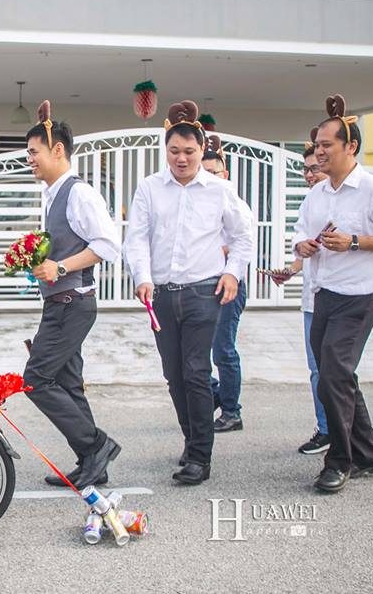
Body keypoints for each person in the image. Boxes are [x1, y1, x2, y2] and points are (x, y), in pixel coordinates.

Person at [124, 100, 252, 485]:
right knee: (174, 375)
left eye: (189, 152)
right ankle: (192, 437)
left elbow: (243, 236)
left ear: (202, 151)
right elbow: (137, 238)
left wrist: (232, 274)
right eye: (175, 151)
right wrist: (142, 277)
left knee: (196, 372)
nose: (181, 158)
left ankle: (200, 456)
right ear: (166, 151)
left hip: (203, 294)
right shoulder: (149, 188)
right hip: (162, 296)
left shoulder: (220, 190)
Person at [292, 94, 373, 493]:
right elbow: (299, 235)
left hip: (362, 296)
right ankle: (370, 454)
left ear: (351, 147)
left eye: (327, 145)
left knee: (332, 376)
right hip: (325, 294)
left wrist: (355, 242)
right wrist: (303, 247)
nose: (319, 152)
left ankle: (340, 461)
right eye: (317, 145)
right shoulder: (317, 194)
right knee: (337, 375)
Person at [23, 100, 123, 489]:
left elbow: (109, 246)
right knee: (66, 383)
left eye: (33, 152)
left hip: (74, 303)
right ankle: (91, 460)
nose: (29, 159)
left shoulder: (79, 194)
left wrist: (61, 267)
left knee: (36, 379)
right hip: (60, 304)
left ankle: (97, 445)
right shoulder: (52, 195)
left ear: (57, 150)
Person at [271, 134, 332, 454]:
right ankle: (327, 428)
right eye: (306, 169)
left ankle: (338, 431)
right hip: (313, 298)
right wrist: (291, 270)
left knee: (334, 370)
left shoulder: (348, 199)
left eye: (315, 168)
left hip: (345, 298)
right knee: (317, 369)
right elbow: (305, 248)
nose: (310, 174)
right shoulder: (311, 202)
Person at [200, 135, 250, 433]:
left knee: (223, 351)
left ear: (225, 174)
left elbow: (244, 241)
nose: (208, 178)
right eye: (202, 172)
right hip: (202, 286)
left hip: (228, 286)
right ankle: (217, 395)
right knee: (196, 353)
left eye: (213, 172)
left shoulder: (234, 202)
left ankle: (231, 410)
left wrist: (214, 251)